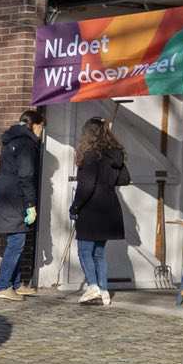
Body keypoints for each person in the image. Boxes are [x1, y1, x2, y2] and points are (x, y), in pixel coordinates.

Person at [0, 107, 44, 301]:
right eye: (41, 127)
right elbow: (26, 176)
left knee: (16, 239)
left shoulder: (11, 140)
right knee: (17, 242)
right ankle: (3, 285)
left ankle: (17, 284)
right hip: (15, 198)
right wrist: (30, 204)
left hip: (4, 195)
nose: (41, 132)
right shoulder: (26, 144)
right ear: (34, 125)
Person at [69, 116, 129, 306]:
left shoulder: (90, 155)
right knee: (99, 253)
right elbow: (124, 179)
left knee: (84, 251)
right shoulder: (116, 154)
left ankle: (93, 286)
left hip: (92, 208)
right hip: (110, 206)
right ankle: (103, 291)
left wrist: (75, 207)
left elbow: (86, 186)